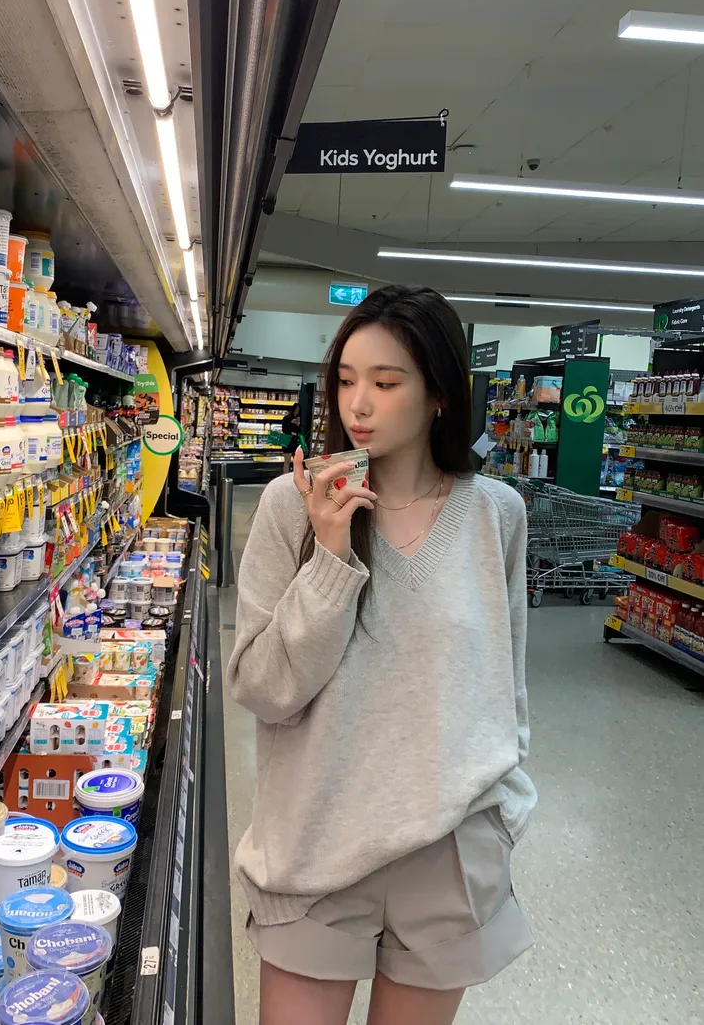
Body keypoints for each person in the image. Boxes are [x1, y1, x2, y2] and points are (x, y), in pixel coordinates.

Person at [227, 285, 536, 1025]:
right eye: (345, 380)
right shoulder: (291, 505)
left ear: (439, 395)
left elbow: (507, 684)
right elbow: (263, 687)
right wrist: (330, 556)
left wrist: (501, 815)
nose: (357, 403)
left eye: (386, 382)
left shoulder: (496, 514)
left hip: (450, 851)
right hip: (315, 844)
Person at [280, 402, 302, 473]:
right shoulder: (286, 418)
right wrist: (291, 423)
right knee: (287, 461)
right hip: (286, 440)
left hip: (294, 441)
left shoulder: (299, 420)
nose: (296, 413)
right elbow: (284, 430)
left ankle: (295, 475)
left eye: (298, 411)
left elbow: (300, 432)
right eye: (295, 411)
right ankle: (285, 476)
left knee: (296, 461)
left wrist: (298, 425)